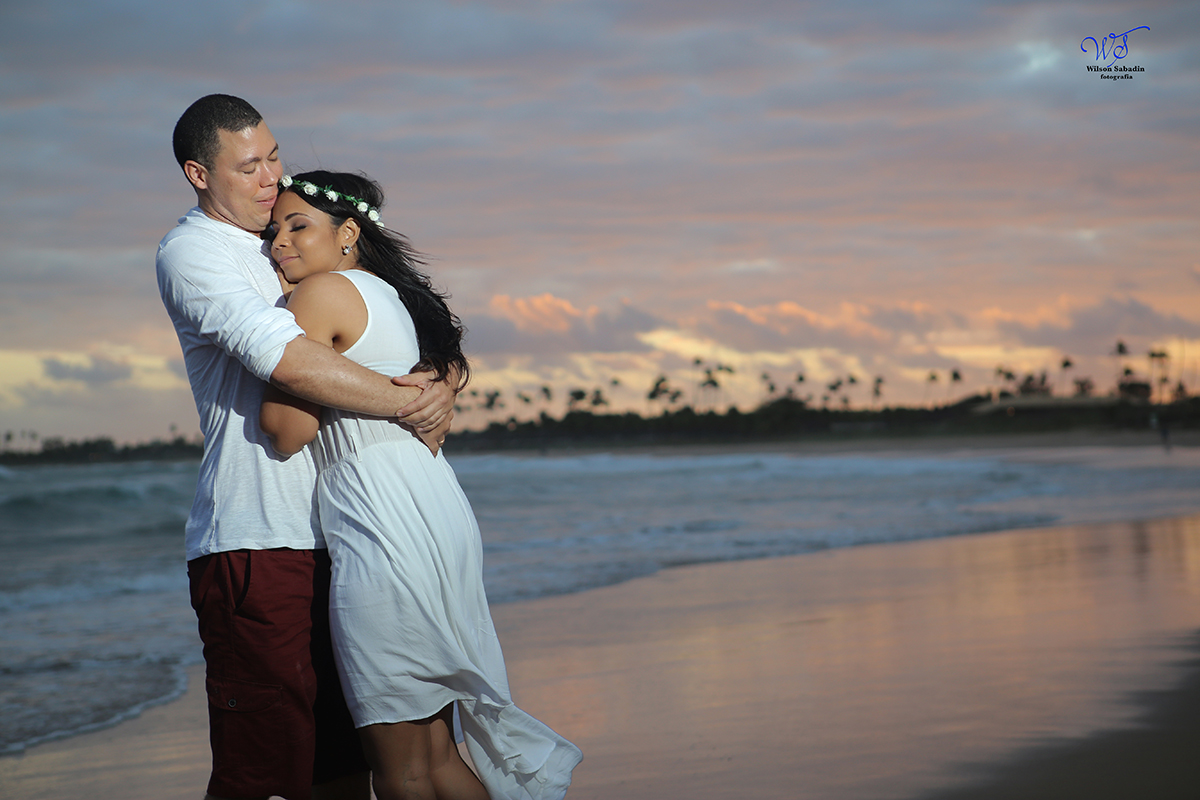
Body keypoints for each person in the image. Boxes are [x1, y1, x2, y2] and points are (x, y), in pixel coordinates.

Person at [156, 95, 458, 800]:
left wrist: (444, 378)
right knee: (265, 774)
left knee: (345, 765)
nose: (270, 179)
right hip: (260, 539)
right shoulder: (195, 252)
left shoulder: (291, 243)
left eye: (275, 157)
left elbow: (398, 324)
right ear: (200, 175)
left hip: (353, 537)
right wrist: (414, 402)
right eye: (249, 167)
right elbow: (286, 360)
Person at [259, 170, 583, 800]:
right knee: (433, 750)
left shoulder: (318, 294)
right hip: (428, 500)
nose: (280, 244)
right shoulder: (387, 296)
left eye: (298, 226)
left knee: (399, 759)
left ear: (348, 232)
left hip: (382, 517)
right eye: (274, 231)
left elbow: (284, 429)